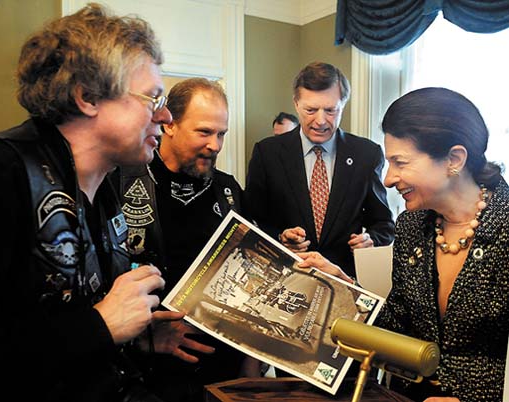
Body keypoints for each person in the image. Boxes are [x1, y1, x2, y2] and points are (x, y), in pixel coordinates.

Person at [0, 4, 192, 401]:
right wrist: (102, 326)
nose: (164, 115)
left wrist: (136, 338)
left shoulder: (107, 192)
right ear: (88, 96)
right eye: (152, 97)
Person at [299, 87, 509, 402]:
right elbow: (399, 325)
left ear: (454, 159)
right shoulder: (412, 226)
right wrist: (345, 287)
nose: (388, 178)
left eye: (400, 162)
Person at [115, 77, 257, 402]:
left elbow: (249, 277)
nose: (216, 145)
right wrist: (145, 338)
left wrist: (250, 364)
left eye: (222, 134)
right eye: (204, 132)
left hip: (224, 371)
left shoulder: (229, 190)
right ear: (170, 125)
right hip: (151, 372)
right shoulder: (122, 183)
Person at [245, 61, 395, 278]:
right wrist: (280, 236)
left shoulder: (366, 154)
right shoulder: (267, 153)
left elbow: (383, 224)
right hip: (284, 276)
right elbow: (252, 219)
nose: (321, 120)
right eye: (311, 110)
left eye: (331, 110)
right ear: (296, 104)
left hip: (343, 278)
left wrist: (370, 240)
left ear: (343, 104)